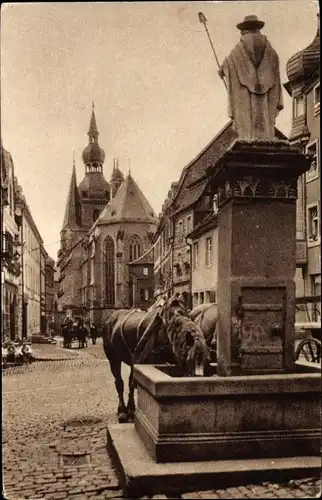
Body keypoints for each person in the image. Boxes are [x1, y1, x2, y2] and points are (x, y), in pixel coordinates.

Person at [218, 15, 283, 140]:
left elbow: (228, 64)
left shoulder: (239, 48)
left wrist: (223, 70)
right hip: (266, 95)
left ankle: (247, 136)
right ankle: (266, 136)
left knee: (246, 114)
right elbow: (275, 65)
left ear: (245, 29)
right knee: (264, 114)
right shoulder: (270, 50)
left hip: (245, 96)